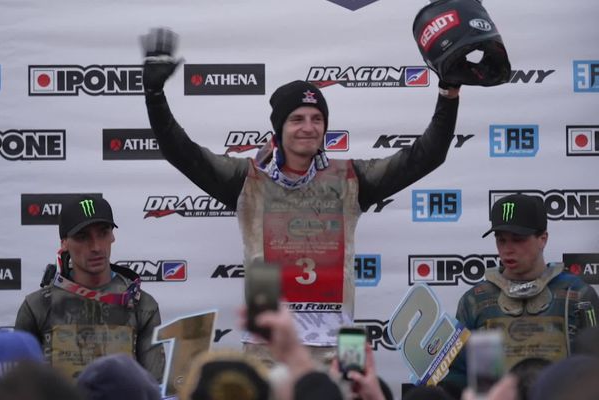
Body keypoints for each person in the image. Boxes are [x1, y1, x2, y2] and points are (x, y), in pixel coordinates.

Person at [141, 28, 460, 359]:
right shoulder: (247, 178)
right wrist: (154, 95)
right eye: (297, 119)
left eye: (317, 118)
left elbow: (427, 155)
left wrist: (448, 91)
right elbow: (182, 153)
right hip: (267, 344)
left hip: (341, 344)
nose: (308, 127)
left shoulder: (351, 177)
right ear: (279, 129)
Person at [443, 194, 599, 392]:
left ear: (543, 238)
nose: (508, 250)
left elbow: (594, 369)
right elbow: (459, 376)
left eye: (518, 240)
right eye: (501, 240)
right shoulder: (476, 300)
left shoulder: (577, 294)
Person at [14, 195, 165, 381]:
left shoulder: (141, 304)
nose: (96, 247)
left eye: (103, 233)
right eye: (82, 237)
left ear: (112, 236)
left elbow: (155, 386)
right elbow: (19, 387)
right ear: (64, 243)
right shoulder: (37, 306)